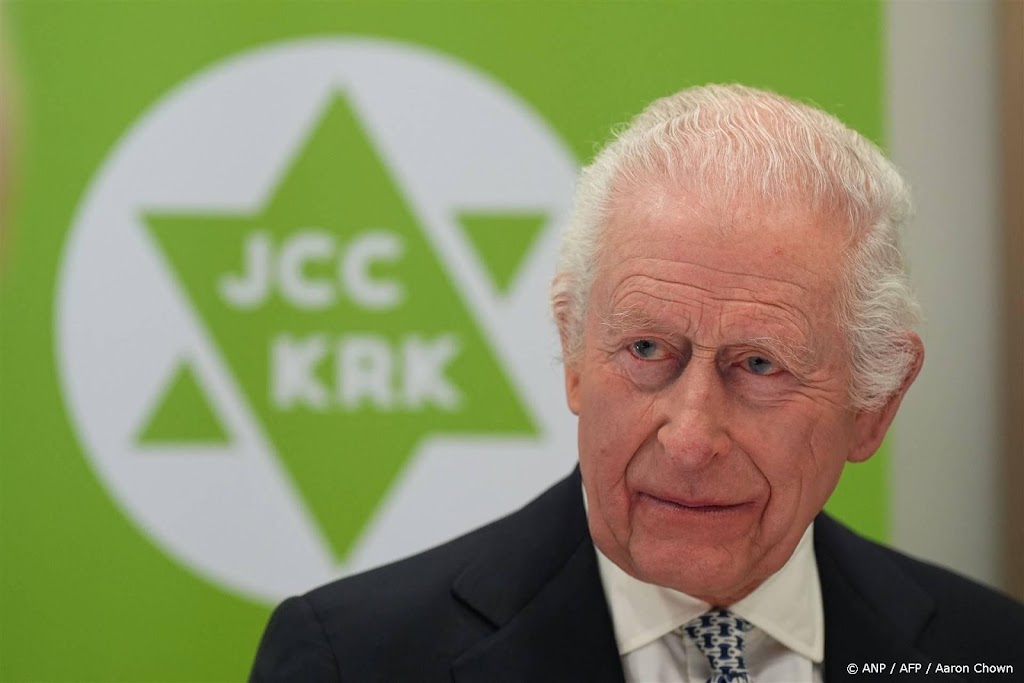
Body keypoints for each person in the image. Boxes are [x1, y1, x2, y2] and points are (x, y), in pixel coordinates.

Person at [249, 84, 1024, 682]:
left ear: (874, 405)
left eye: (759, 364)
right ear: (574, 354)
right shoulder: (355, 659)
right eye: (648, 348)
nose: (690, 438)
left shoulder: (991, 650)